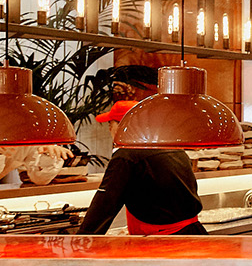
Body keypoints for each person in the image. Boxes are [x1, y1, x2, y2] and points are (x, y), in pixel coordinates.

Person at [78, 95, 208, 236]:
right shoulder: (170, 145)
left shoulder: (127, 154)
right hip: (193, 233)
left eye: (111, 123)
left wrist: (83, 239)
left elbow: (105, 203)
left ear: (123, 125)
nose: (109, 128)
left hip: (164, 241)